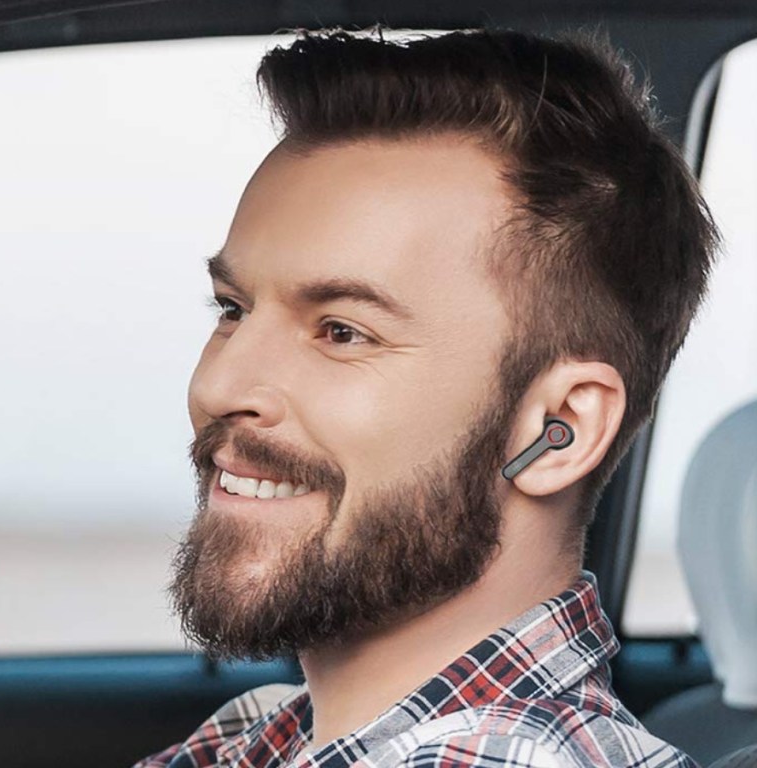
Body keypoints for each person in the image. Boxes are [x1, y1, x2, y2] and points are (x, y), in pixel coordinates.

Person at [134, 26, 718, 768]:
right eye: (233, 310)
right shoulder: (271, 732)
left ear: (560, 427)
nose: (217, 387)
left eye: (342, 332)